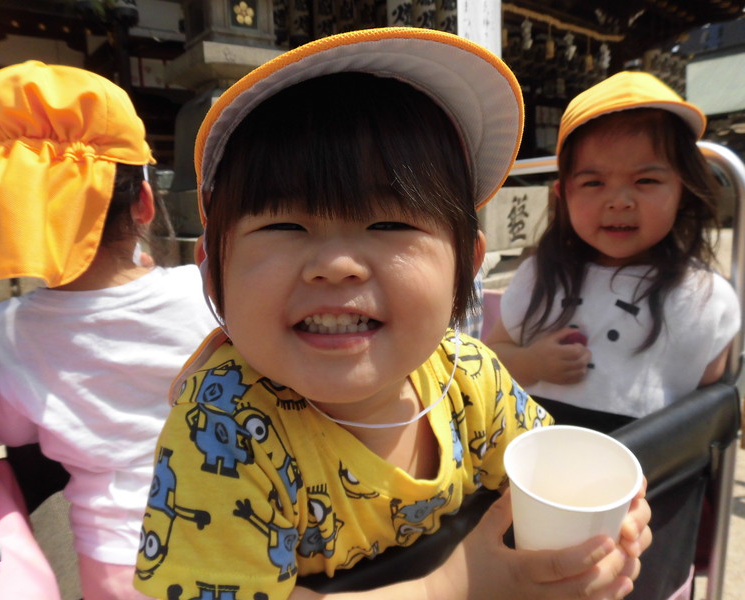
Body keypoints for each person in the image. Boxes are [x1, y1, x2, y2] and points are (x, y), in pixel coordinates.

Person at [134, 28, 651, 600]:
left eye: (390, 225)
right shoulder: (224, 429)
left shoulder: (469, 379)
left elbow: (552, 474)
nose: (335, 265)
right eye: (283, 225)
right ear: (212, 271)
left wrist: (605, 529)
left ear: (467, 265)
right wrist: (450, 587)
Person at [0, 61, 216, 600]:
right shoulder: (203, 294)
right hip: (231, 535)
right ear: (144, 204)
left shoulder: (5, 331)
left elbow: (13, 432)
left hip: (113, 561)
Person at [485, 71, 741, 433]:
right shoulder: (541, 274)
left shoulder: (704, 296)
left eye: (646, 181)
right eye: (594, 182)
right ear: (564, 195)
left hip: (646, 475)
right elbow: (491, 359)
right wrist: (530, 364)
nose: (619, 201)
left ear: (682, 191)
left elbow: (707, 402)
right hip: (538, 460)